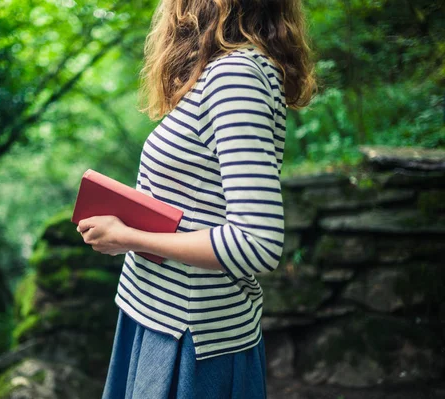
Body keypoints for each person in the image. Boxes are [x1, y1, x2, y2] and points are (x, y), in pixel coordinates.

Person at [76, 0, 316, 397]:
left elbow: (257, 244)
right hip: (158, 317)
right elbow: (201, 201)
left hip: (193, 341)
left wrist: (129, 237)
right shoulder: (222, 73)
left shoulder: (237, 76)